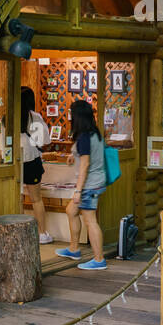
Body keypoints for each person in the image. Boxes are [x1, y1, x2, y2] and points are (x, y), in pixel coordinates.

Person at [56, 99, 108, 270]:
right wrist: (73, 155)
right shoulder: (94, 133)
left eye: (72, 113)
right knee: (71, 211)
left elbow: (85, 164)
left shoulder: (85, 137)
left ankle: (99, 259)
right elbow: (86, 154)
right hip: (96, 181)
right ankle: (73, 249)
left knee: (90, 221)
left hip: (89, 185)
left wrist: (78, 191)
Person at [20, 89, 52, 244]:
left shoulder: (7, 117)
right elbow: (44, 141)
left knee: (17, 199)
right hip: (32, 161)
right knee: (36, 199)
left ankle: (18, 231)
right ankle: (42, 234)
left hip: (14, 162)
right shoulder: (35, 117)